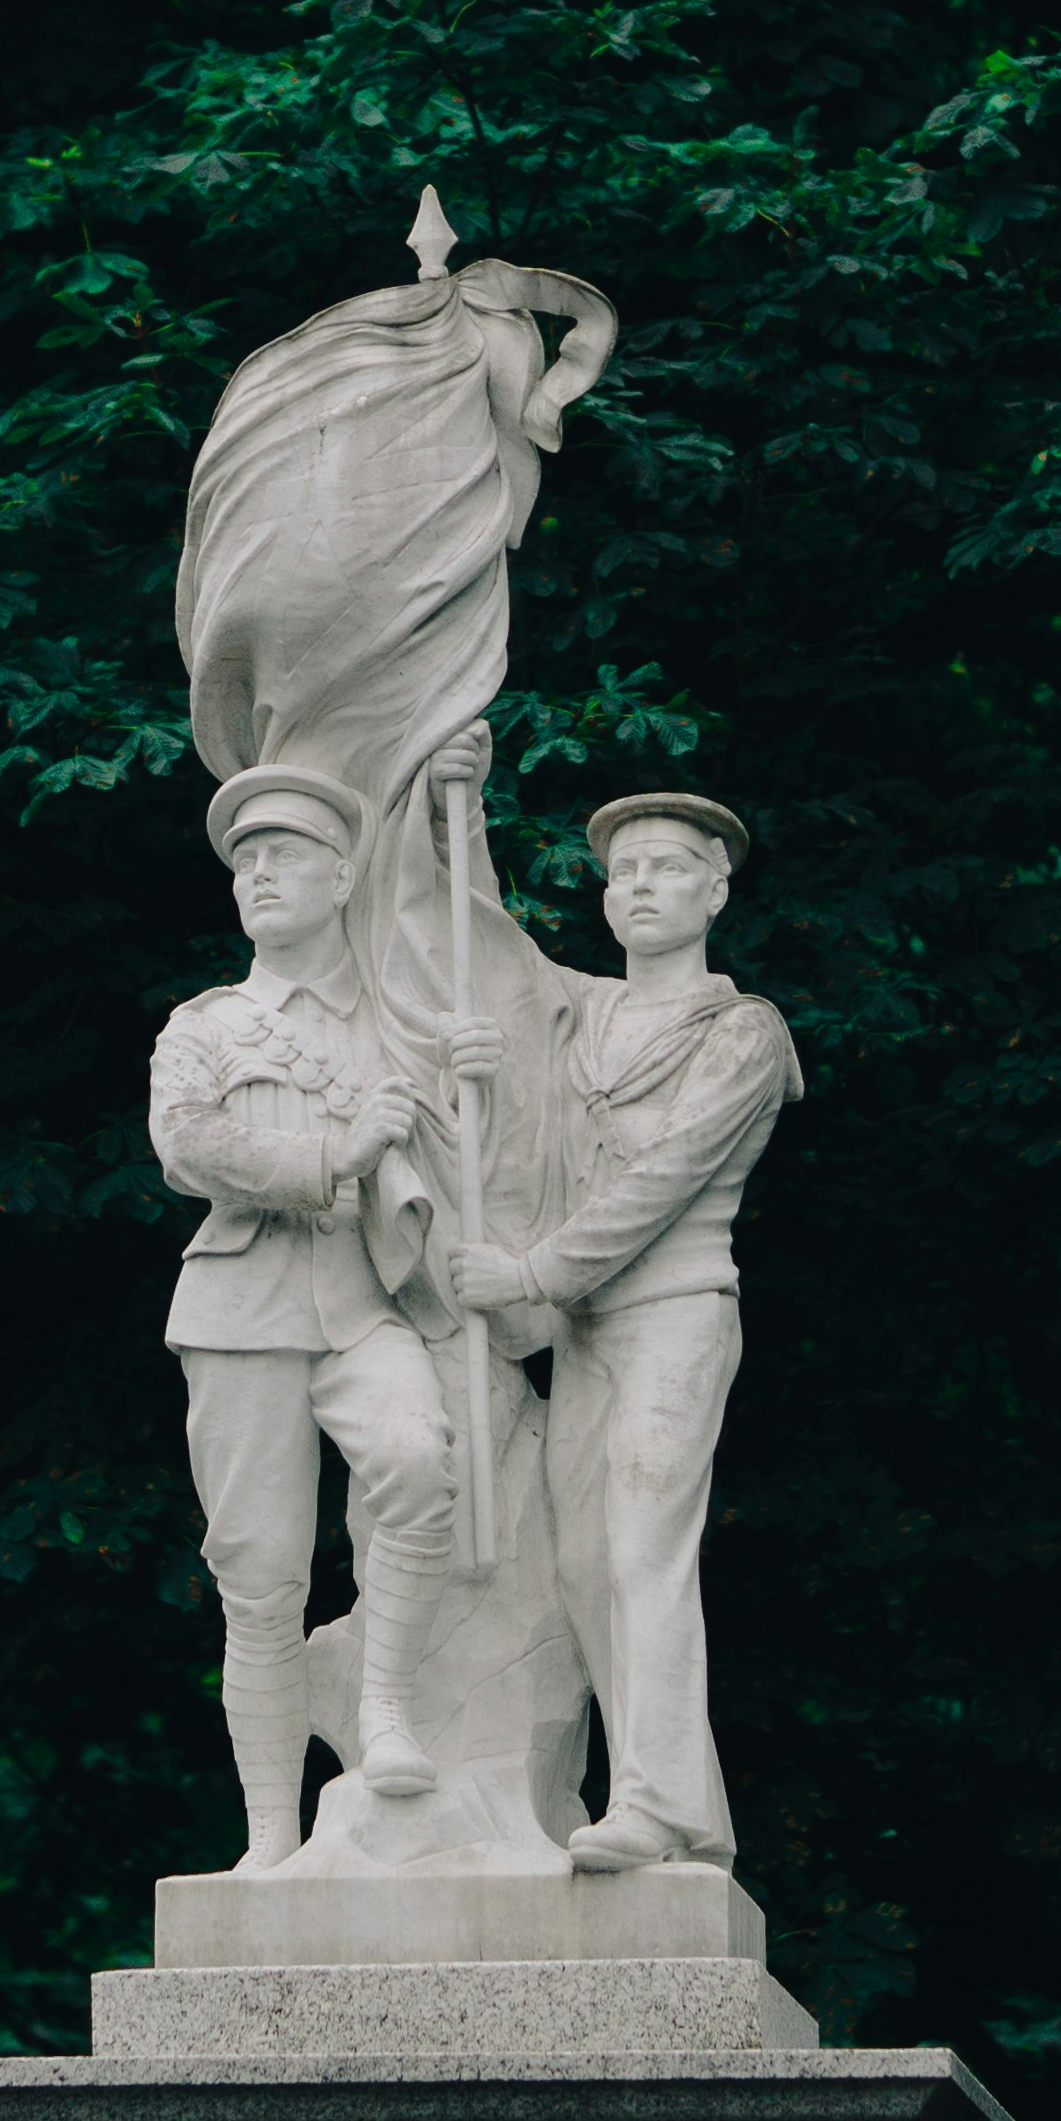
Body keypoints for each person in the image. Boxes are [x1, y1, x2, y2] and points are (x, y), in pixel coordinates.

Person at [444, 779, 799, 1875]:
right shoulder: (583, 1009)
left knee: (645, 1548)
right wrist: (447, 810)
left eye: (667, 868)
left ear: (716, 888)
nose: (641, 886)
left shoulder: (742, 1032)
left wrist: (529, 1272)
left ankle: (655, 1803)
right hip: (586, 1328)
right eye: (623, 872)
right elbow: (477, 938)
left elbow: (665, 1177)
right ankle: (678, 1811)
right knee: (588, 1562)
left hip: (675, 1310)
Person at [149, 762, 460, 1869]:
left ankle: (381, 1711)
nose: (259, 875)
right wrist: (339, 1149)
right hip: (240, 1308)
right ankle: (270, 1835)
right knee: (261, 1578)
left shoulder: (398, 1014)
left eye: (284, 856)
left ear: (341, 877)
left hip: (362, 1301)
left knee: (419, 1466)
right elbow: (193, 1148)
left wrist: (465, 1076)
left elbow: (478, 1108)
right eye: (245, 861)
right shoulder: (206, 1024)